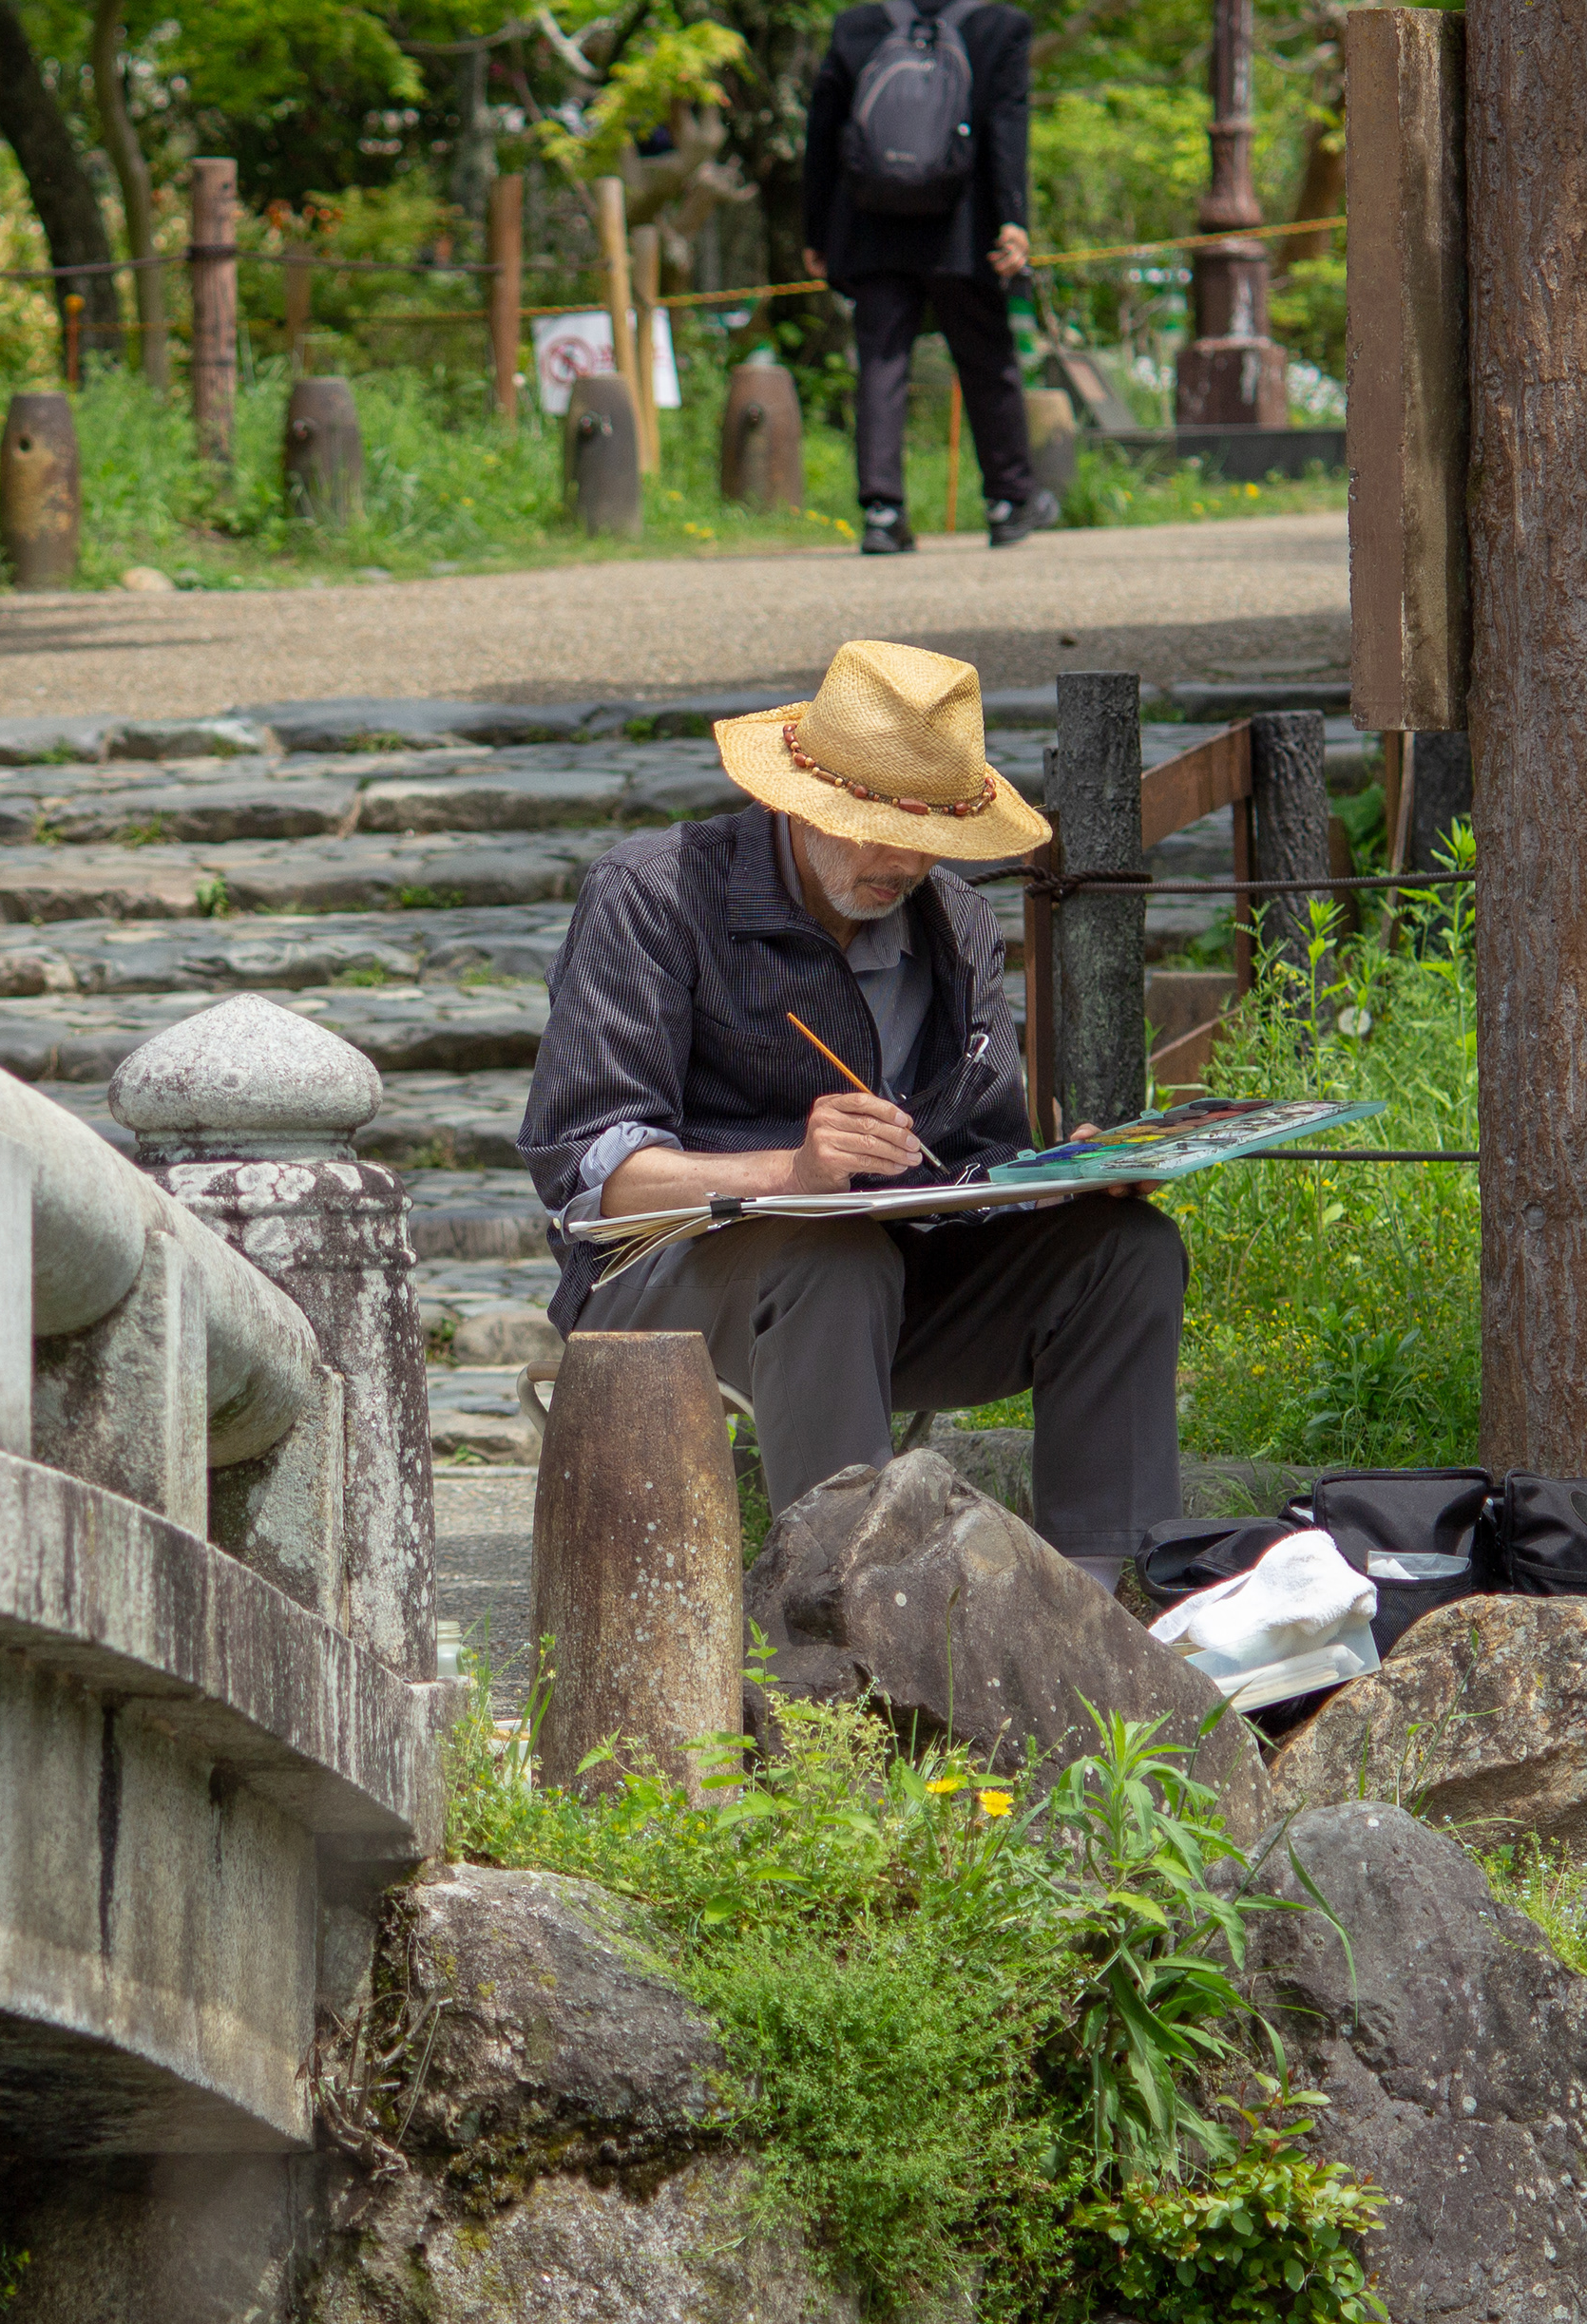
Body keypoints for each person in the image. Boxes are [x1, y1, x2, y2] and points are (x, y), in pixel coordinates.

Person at [518, 639, 1185, 1587]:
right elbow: (595, 1178)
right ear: (799, 798)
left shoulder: (954, 923)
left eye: (930, 832)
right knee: (829, 1253)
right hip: (669, 1290)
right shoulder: (652, 895)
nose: (902, 858)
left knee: (1126, 1251)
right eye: (871, 825)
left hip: (895, 1284)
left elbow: (976, 1158)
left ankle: (1103, 1605)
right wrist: (789, 1174)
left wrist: (1059, 1180)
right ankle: (842, 1623)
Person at [796, 0, 1059, 554]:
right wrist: (1013, 219)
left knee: (882, 364)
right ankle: (1009, 502)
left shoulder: (858, 26)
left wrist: (816, 231)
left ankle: (882, 512)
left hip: (871, 225)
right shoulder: (999, 26)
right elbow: (1006, 124)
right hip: (963, 227)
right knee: (987, 358)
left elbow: (822, 131)